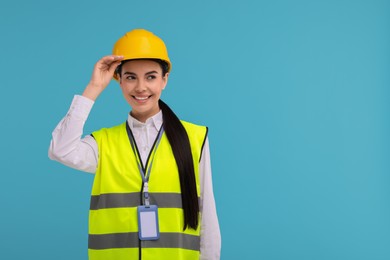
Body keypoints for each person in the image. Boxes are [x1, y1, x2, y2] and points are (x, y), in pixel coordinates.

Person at [48, 29, 221, 260]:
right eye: (130, 77)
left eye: (150, 76)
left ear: (164, 80)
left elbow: (207, 216)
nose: (140, 87)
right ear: (118, 80)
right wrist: (93, 88)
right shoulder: (103, 143)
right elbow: (61, 150)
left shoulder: (195, 137)